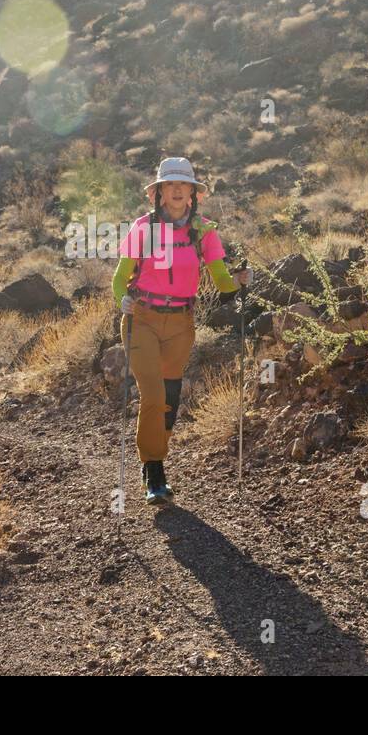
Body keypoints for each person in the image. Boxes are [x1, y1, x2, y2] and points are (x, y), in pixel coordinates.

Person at [111, 156, 251, 504]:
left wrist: (236, 281)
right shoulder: (143, 228)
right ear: (158, 192)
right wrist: (122, 300)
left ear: (192, 192)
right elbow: (119, 279)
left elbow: (219, 279)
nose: (176, 189)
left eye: (183, 184)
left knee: (171, 397)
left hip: (181, 322)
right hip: (140, 318)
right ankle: (153, 470)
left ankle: (157, 452)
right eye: (169, 184)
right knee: (153, 394)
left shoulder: (204, 230)